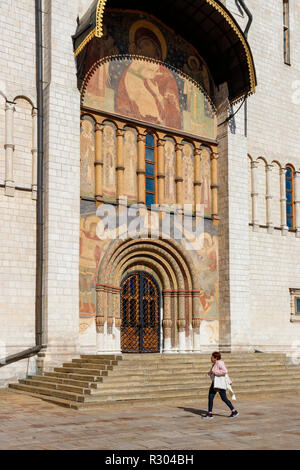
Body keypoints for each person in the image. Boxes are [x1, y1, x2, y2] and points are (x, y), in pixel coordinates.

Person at [203, 351, 239, 419]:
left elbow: (225, 371)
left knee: (223, 398)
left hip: (219, 383)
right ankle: (210, 413)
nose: (211, 358)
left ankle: (234, 411)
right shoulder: (215, 363)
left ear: (215, 358)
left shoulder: (219, 363)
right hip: (216, 383)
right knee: (211, 396)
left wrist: (215, 372)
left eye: (212, 357)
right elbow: (224, 373)